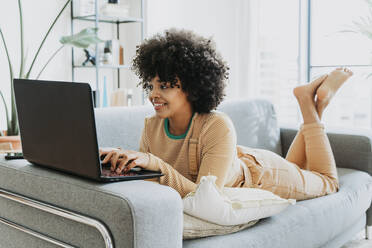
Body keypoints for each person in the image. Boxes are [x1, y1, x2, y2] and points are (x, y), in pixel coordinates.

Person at [100, 28, 353, 200]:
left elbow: (206, 198)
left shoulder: (217, 125)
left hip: (262, 176)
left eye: (164, 86)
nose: (153, 94)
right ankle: (310, 101)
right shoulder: (151, 126)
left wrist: (153, 163)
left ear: (191, 86)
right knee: (299, 167)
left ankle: (309, 105)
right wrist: (123, 162)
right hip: (237, 162)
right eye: (151, 85)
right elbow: (154, 181)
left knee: (327, 182)